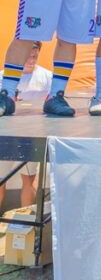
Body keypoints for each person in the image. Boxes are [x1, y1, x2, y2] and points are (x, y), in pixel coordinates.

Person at [0, 42, 48, 209]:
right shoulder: (3, 78)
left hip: (31, 136)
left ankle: (23, 226)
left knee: (29, 180)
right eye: (28, 55)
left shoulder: (47, 78)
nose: (31, 59)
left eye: (35, 55)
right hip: (5, 137)